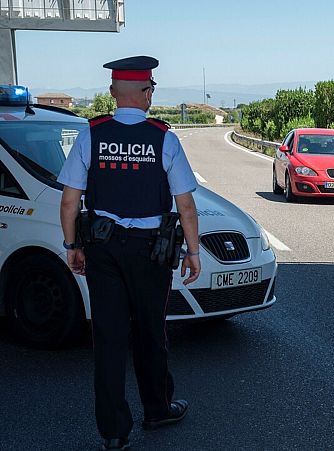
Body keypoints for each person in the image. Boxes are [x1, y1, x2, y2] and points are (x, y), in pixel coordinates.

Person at [58, 56, 201, 450]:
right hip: (149, 252)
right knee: (151, 332)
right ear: (145, 93)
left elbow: (70, 202)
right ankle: (157, 409)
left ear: (111, 93)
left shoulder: (91, 134)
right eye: (151, 88)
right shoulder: (164, 138)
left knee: (108, 339)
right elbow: (185, 205)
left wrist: (72, 245)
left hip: (101, 249)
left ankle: (114, 432)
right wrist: (192, 251)